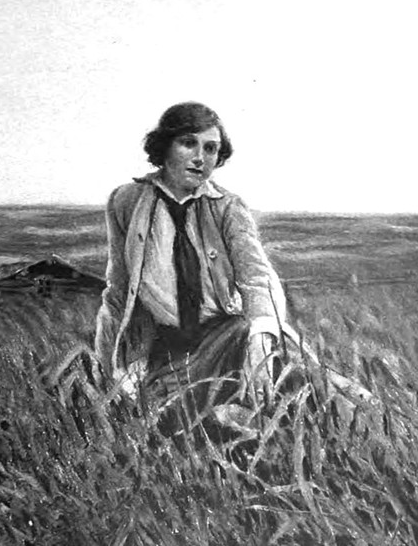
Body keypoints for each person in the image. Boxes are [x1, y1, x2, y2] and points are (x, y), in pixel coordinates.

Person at [94, 101, 286, 414]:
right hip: (163, 353)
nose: (200, 158)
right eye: (188, 143)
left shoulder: (227, 207)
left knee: (286, 372)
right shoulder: (126, 201)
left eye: (211, 149)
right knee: (168, 421)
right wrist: (110, 370)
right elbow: (117, 292)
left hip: (223, 337)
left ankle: (358, 407)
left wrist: (260, 342)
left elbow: (257, 277)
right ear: (164, 146)